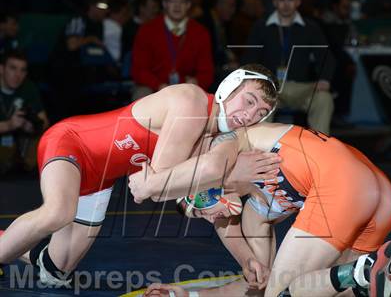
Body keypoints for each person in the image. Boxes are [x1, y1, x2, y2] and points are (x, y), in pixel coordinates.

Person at [0, 63, 280, 287]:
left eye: (260, 112)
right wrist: (202, 200)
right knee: (57, 212)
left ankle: (10, 241)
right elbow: (154, 187)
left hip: (101, 177)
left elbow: (217, 211)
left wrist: (246, 260)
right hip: (73, 142)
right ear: (230, 87)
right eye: (249, 100)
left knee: (54, 273)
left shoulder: (221, 141)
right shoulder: (191, 102)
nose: (249, 115)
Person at [132, 122, 391, 297]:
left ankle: (360, 274)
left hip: (343, 181)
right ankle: (378, 282)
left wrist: (156, 184)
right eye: (200, 217)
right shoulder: (257, 213)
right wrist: (188, 294)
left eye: (201, 205)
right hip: (378, 197)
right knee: (327, 290)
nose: (209, 216)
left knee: (284, 294)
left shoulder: (233, 146)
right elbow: (257, 287)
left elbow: (217, 149)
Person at [242, 0, 335, 134]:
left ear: (297, 2)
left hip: (302, 88)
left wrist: (324, 79)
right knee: (259, 98)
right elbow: (250, 57)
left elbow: (325, 57)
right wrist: (255, 82)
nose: (286, 4)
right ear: (275, 2)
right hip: (271, 87)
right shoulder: (261, 26)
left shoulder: (310, 27)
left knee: (324, 99)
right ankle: (258, 150)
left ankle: (319, 150)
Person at [131, 0, 214, 99]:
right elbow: (139, 70)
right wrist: (159, 85)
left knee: (203, 99)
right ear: (164, 4)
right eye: (172, 1)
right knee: (141, 94)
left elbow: (207, 71)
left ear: (188, 5)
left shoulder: (200, 33)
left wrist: (196, 81)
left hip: (187, 89)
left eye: (182, 1)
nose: (177, 6)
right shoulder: (147, 30)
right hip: (154, 88)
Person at [0, 50, 49, 174]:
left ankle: (24, 167)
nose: (18, 75)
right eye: (13, 68)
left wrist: (33, 126)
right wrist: (9, 125)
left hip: (18, 140)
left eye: (23, 70)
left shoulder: (28, 87)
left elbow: (44, 121)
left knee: (44, 137)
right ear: (1, 69)